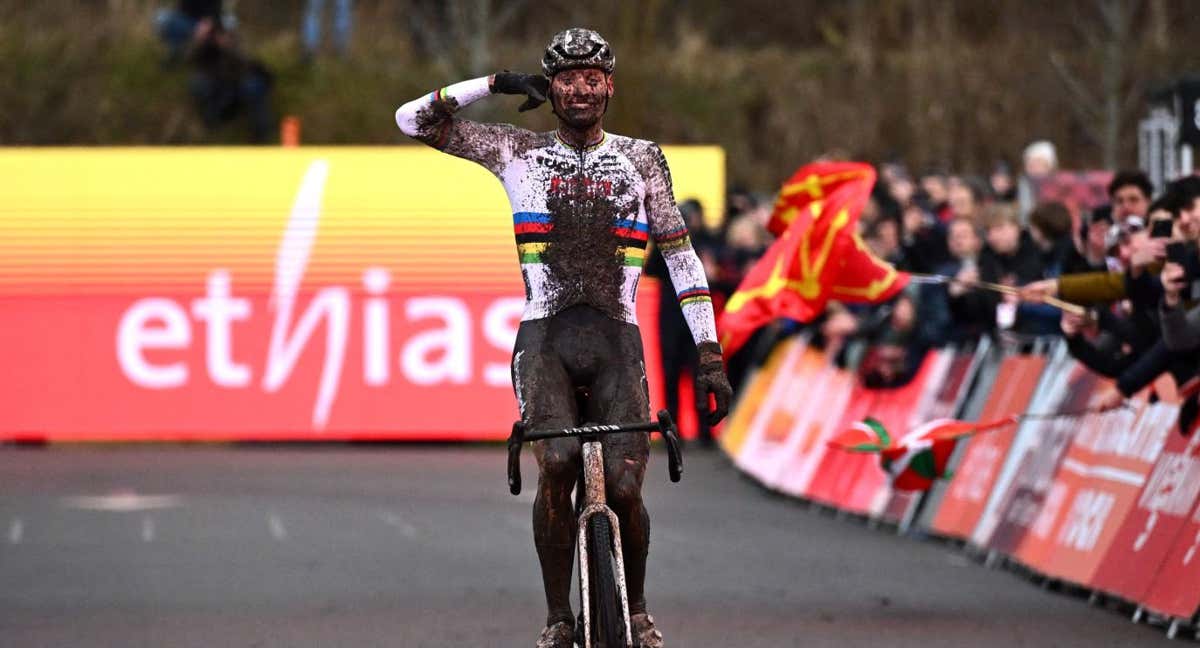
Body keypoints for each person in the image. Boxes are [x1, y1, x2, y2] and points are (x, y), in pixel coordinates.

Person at [394, 28, 732, 648]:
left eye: (592, 78)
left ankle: (636, 613)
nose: (581, 89)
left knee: (627, 490)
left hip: (617, 344)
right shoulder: (512, 150)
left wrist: (709, 353)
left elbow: (682, 258)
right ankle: (557, 617)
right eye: (567, 79)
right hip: (544, 340)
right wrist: (495, 83)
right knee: (556, 465)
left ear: (610, 86)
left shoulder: (643, 158)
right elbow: (412, 119)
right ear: (550, 88)